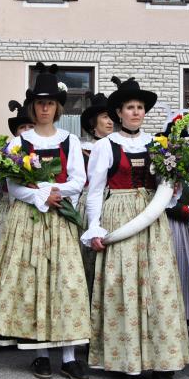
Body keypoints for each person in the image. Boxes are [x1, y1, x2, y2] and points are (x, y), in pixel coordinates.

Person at [82, 76, 189, 379]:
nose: (135, 112)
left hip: (151, 220)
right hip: (118, 216)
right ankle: (124, 359)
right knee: (122, 287)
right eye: (130, 107)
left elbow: (167, 191)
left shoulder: (159, 145)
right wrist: (94, 226)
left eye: (140, 108)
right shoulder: (105, 147)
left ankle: (163, 365)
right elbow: (95, 191)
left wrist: (174, 189)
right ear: (118, 113)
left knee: (159, 287)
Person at [0, 63, 90, 379]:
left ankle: (69, 357)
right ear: (33, 106)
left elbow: (79, 179)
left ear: (58, 107)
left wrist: (54, 192)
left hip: (60, 219)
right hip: (28, 220)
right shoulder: (19, 143)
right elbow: (13, 186)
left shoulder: (70, 140)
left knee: (66, 283)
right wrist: (41, 195)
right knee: (34, 282)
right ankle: (40, 353)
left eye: (50, 103)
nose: (45, 108)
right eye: (40, 103)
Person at [0, 99, 34, 289]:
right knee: (3, 260)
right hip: (7, 212)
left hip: (35, 212)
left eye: (31, 126)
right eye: (22, 127)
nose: (26, 131)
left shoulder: (43, 152)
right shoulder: (3, 154)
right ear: (16, 131)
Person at [162, 111, 189, 326]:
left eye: (186, 142)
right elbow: (163, 200)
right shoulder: (164, 165)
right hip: (174, 226)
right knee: (177, 272)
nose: (183, 145)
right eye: (179, 141)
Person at [78, 92, 113, 299]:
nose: (110, 122)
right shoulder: (82, 150)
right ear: (93, 123)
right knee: (88, 259)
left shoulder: (120, 147)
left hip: (114, 205)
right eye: (105, 117)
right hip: (88, 205)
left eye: (111, 117)